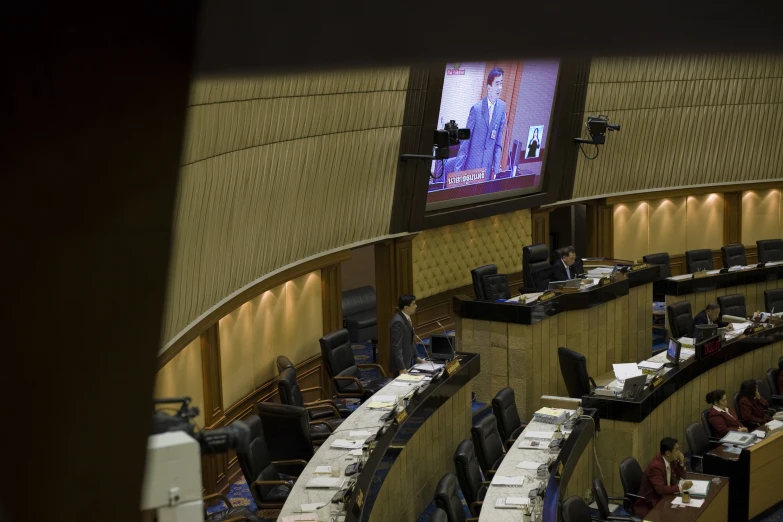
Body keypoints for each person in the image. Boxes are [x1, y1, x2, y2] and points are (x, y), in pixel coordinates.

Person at [453, 67, 507, 181]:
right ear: (489, 87)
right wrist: (457, 174)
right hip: (471, 170)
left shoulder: (501, 108)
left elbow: (498, 144)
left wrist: (495, 171)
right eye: (497, 84)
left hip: (486, 172)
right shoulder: (476, 110)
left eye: (501, 84)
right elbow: (465, 143)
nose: (500, 88)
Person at [634, 437, 692, 517]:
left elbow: (682, 476)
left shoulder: (670, 460)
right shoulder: (656, 467)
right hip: (650, 503)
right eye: (677, 450)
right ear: (668, 453)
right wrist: (681, 487)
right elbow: (660, 490)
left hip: (665, 498)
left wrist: (681, 463)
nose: (679, 452)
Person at [389, 294, 425, 376]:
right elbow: (396, 347)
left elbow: (409, 340)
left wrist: (417, 357)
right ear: (406, 307)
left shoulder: (407, 318)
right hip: (401, 365)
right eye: (413, 304)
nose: (416, 306)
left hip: (408, 361)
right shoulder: (398, 322)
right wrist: (402, 367)